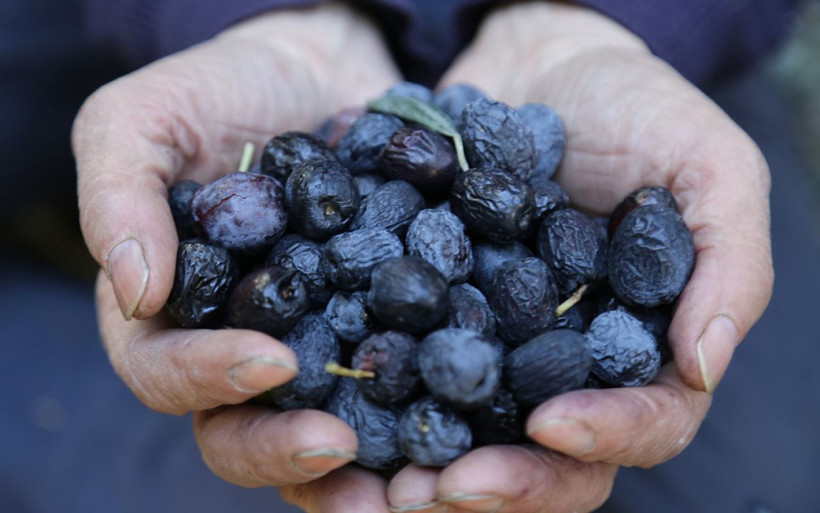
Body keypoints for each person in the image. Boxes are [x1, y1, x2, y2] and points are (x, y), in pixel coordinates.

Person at [70, 1, 802, 511]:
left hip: (655, 45)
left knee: (775, 478)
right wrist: (266, 15)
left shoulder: (499, 248)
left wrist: (598, 22)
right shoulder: (359, 232)